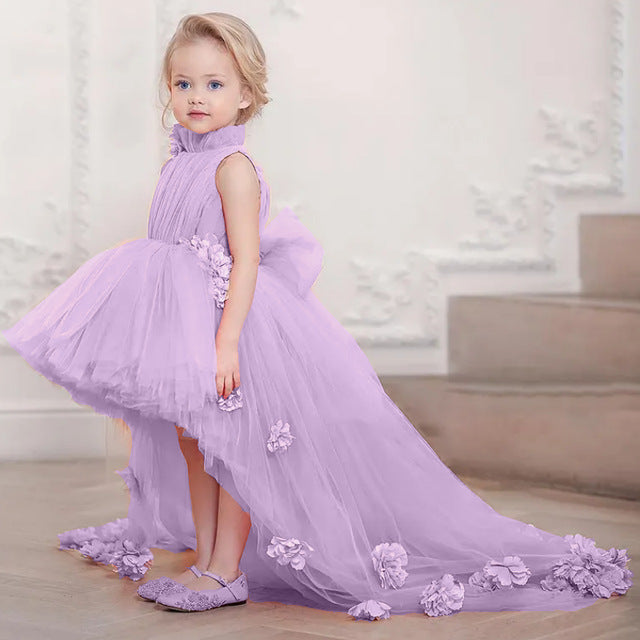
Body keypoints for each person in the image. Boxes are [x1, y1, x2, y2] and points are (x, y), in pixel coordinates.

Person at [3, 11, 633, 619]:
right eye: (183, 82)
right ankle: (206, 556)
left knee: (233, 448)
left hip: (230, 325)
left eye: (215, 84)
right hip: (184, 326)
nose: (196, 96)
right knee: (194, 441)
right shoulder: (179, 164)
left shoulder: (233, 168)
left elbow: (246, 260)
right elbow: (169, 252)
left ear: (247, 96)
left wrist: (227, 341)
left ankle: (226, 571)